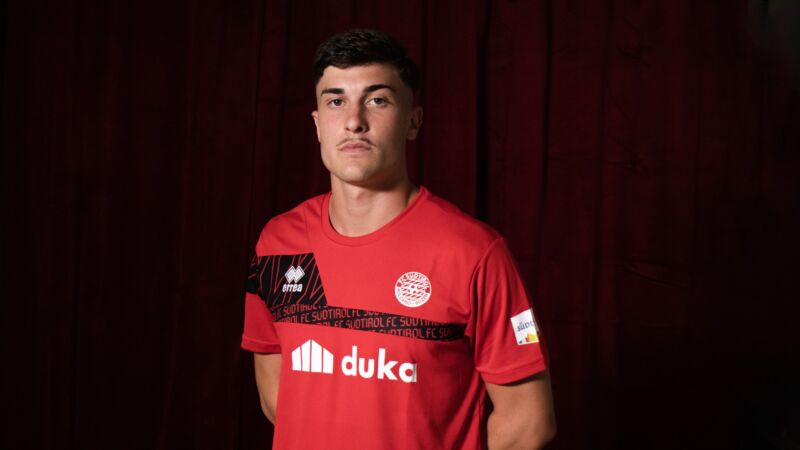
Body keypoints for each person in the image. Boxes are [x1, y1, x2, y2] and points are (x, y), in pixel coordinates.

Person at [241, 29, 556, 449]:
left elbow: (529, 422)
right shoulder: (279, 242)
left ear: (413, 121)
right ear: (317, 124)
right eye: (336, 101)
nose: (354, 121)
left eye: (377, 100)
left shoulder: (474, 252)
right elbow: (277, 396)